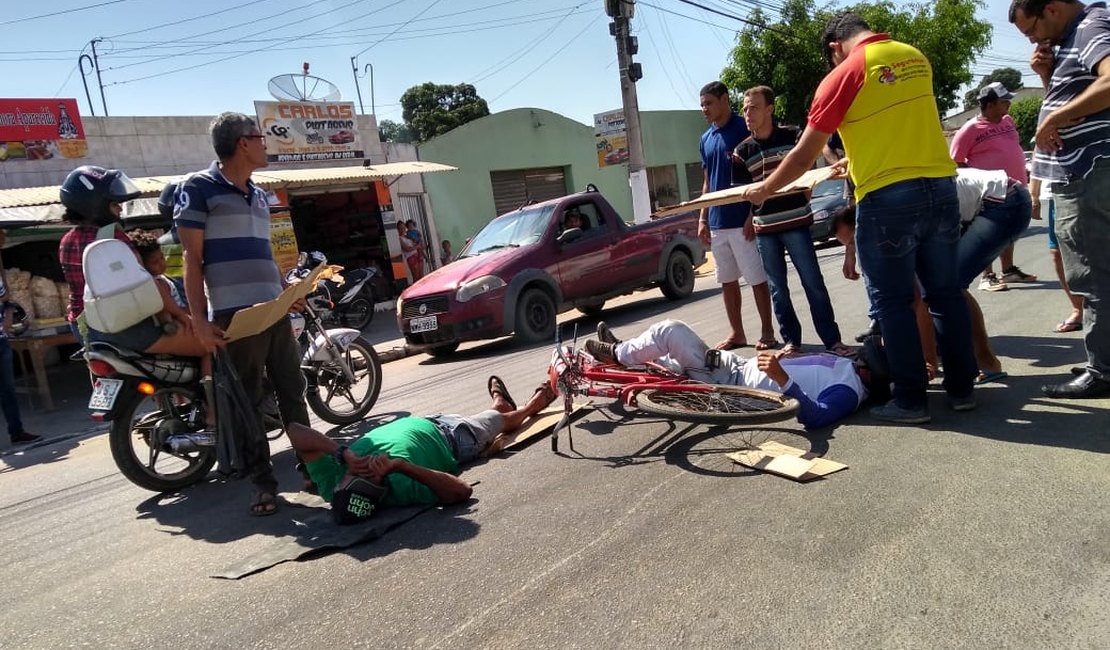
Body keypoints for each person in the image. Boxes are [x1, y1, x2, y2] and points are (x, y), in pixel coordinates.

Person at [735, 12, 977, 424]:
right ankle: (961, 389)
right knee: (944, 293)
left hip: (888, 198)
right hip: (939, 187)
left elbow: (802, 154)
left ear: (834, 47)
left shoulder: (844, 74)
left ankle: (911, 400)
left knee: (892, 301)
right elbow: (897, 126)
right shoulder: (914, 56)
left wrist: (764, 189)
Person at [175, 112, 312, 515]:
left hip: (273, 310)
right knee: (248, 403)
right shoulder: (198, 189)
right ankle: (262, 484)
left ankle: (311, 467)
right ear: (242, 143)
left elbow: (261, 253)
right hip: (236, 317)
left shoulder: (258, 194)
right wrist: (199, 320)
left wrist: (286, 291)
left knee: (293, 390)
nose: (266, 144)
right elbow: (191, 258)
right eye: (260, 137)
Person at [1011, 0, 1110, 398]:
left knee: (1093, 273)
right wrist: (1046, 74)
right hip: (1087, 170)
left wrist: (1054, 118)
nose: (1032, 38)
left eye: (1030, 28)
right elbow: (1081, 91)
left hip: (1090, 170)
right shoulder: (1076, 35)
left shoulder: (1089, 27)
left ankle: (1103, 371)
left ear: (1051, 8)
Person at [286, 377, 558, 508]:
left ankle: (499, 404)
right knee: (501, 421)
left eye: (355, 478)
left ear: (340, 486)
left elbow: (295, 430)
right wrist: (400, 468)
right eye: (369, 482)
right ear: (377, 493)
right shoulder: (402, 489)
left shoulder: (329, 481)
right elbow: (462, 492)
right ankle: (532, 404)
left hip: (427, 419)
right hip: (455, 437)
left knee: (488, 415)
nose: (365, 472)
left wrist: (341, 452)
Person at [734, 85, 851, 357]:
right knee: (778, 289)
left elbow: (809, 165)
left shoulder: (794, 136)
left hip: (797, 223)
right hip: (766, 230)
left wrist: (807, 189)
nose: (747, 113)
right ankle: (791, 342)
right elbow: (742, 194)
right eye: (744, 108)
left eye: (753, 107)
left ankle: (832, 340)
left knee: (813, 282)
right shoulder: (741, 152)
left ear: (770, 109)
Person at [584, 321, 868, 430]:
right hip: (735, 367)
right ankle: (625, 354)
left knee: (670, 332)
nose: (862, 355)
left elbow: (816, 417)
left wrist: (784, 378)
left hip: (729, 390)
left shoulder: (849, 391)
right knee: (666, 362)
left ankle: (619, 353)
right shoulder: (848, 367)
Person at [697, 80, 777, 351]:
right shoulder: (705, 139)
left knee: (756, 278)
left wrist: (752, 214)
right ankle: (737, 333)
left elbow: (762, 172)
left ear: (724, 100)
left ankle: (767, 332)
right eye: (702, 105)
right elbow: (707, 181)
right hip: (718, 223)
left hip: (744, 221)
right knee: (727, 280)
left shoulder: (745, 127)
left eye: (709, 103)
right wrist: (702, 218)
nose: (704, 109)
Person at [950, 81, 1038, 292]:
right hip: (987, 194)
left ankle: (1008, 270)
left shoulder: (1008, 121)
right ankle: (987, 276)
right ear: (989, 105)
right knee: (986, 232)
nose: (1008, 104)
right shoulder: (969, 129)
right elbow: (956, 160)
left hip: (1013, 187)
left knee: (1007, 231)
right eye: (1003, 101)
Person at [58, 165, 145, 348]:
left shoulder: (66, 240)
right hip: (118, 324)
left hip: (82, 326)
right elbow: (141, 279)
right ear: (96, 205)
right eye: (115, 204)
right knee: (196, 346)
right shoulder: (114, 237)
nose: (120, 209)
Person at [1029, 175, 1083, 332]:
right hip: (1062, 191)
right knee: (1057, 252)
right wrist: (1034, 195)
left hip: (1100, 183)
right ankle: (1078, 309)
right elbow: (1039, 154)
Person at [0, 231, 39, 446]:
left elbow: (4, 297)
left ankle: (17, 431)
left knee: (7, 389)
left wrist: (7, 314)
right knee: (6, 389)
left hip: (1, 337)